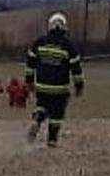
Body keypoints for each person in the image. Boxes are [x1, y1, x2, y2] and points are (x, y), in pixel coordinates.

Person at [25, 13, 84, 147]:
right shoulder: (68, 46)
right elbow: (76, 69)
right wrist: (79, 86)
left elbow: (30, 65)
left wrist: (29, 81)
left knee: (42, 104)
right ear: (64, 27)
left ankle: (38, 118)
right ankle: (52, 141)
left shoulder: (39, 43)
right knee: (57, 113)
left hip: (41, 86)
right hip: (60, 88)